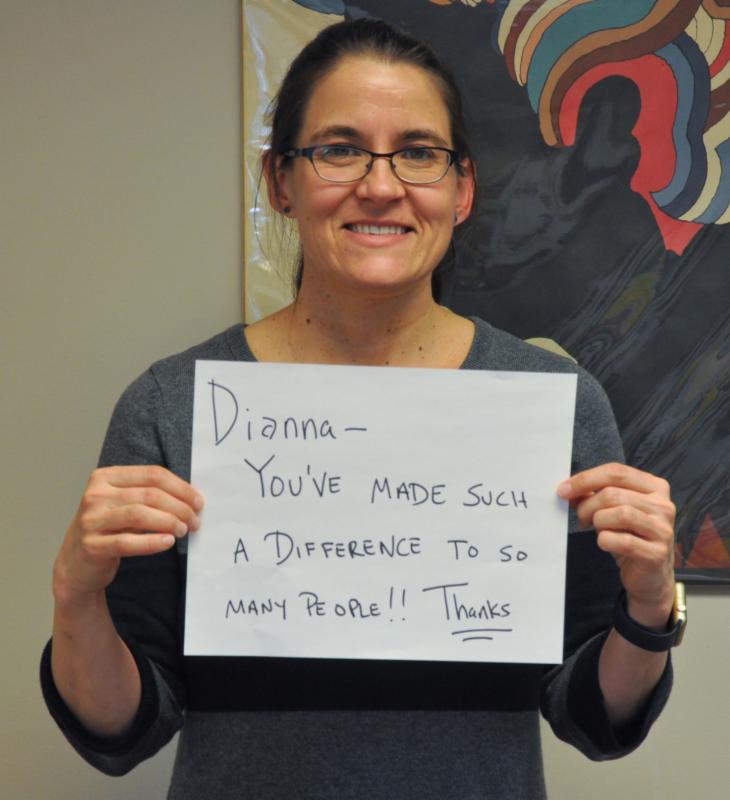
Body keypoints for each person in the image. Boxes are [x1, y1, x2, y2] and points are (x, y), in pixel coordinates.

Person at [41, 18, 679, 800]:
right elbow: (121, 730)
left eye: (418, 152)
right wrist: (76, 594)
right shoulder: (172, 405)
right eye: (340, 149)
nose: (380, 186)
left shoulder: (554, 407)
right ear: (281, 182)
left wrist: (649, 606)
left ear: (462, 189)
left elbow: (591, 717)